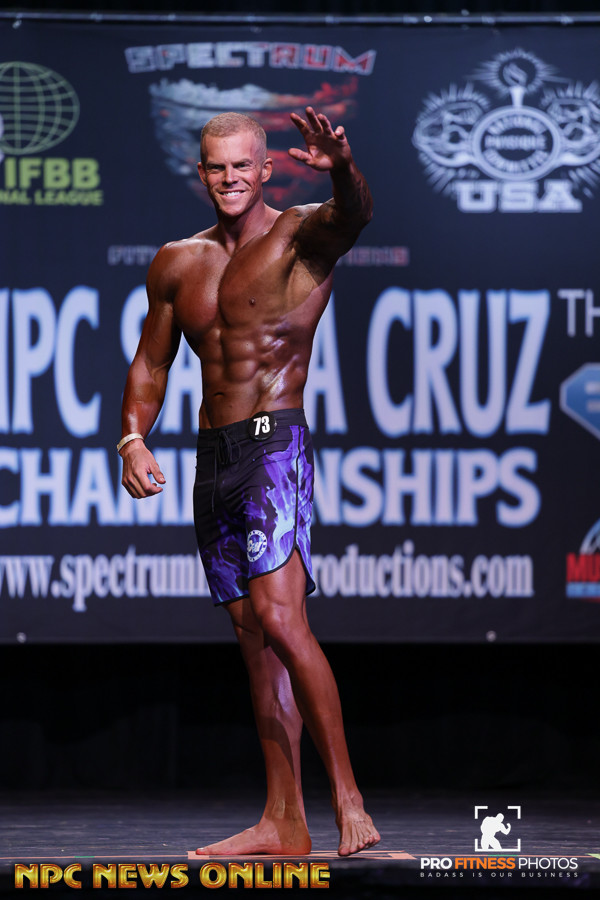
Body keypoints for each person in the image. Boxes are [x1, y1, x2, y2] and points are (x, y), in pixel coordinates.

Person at [118, 106, 380, 857]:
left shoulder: (301, 234)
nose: (230, 178)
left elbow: (355, 214)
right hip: (214, 456)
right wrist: (132, 437)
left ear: (266, 169)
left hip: (273, 445)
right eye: (217, 167)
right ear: (200, 172)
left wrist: (342, 169)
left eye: (243, 166)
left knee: (283, 619)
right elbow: (152, 362)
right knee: (253, 639)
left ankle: (349, 800)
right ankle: (282, 819)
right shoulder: (178, 262)